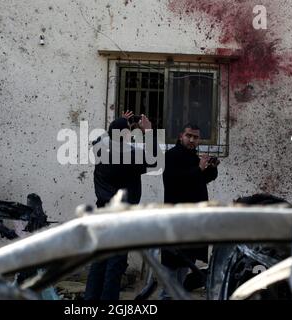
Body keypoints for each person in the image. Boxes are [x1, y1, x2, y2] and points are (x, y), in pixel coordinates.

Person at [84, 111, 157, 300]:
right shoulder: (130, 156)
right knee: (115, 264)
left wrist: (121, 124)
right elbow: (154, 160)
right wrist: (148, 132)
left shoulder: (99, 149)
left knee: (99, 261)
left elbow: (103, 137)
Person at [160, 123, 220, 299]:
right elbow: (175, 182)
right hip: (177, 220)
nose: (192, 140)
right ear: (181, 136)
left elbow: (202, 180)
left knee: (185, 263)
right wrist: (199, 168)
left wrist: (212, 167)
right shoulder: (171, 156)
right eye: (189, 136)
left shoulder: (193, 157)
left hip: (192, 221)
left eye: (195, 137)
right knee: (172, 267)